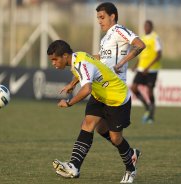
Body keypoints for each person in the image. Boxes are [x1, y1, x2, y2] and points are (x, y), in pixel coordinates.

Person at [60, 1, 145, 160]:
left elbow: (140, 45)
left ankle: (128, 154)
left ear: (113, 16)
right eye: (98, 17)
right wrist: (74, 82)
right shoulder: (105, 38)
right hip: (101, 87)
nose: (99, 21)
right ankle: (74, 165)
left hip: (114, 88)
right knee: (96, 126)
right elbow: (98, 60)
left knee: (113, 136)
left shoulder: (119, 30)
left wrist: (122, 62)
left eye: (102, 17)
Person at [47, 40, 139, 183]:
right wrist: (72, 84)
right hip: (100, 96)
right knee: (91, 125)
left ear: (65, 56)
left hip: (117, 98)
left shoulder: (80, 63)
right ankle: (74, 166)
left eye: (55, 59)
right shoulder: (78, 57)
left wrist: (69, 103)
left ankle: (130, 168)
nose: (53, 63)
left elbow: (86, 89)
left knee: (116, 138)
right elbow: (88, 68)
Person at [131, 20, 162, 124]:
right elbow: (141, 55)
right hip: (141, 69)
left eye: (147, 26)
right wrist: (135, 66)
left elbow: (159, 55)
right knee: (133, 88)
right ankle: (148, 107)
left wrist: (148, 67)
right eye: (144, 26)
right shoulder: (143, 38)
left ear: (151, 27)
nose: (145, 28)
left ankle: (151, 115)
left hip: (151, 70)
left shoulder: (155, 37)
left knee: (149, 92)